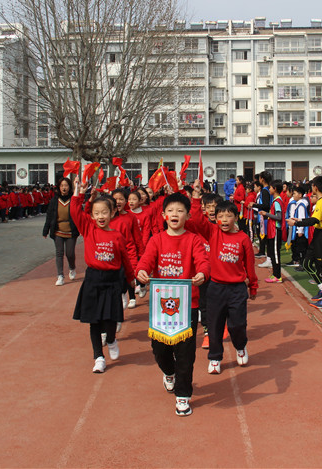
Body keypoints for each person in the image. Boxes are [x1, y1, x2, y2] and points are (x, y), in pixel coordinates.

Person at [136, 192, 210, 416]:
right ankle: (169, 372)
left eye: (180, 211)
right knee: (160, 349)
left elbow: (203, 262)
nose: (175, 214)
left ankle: (183, 395)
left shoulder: (194, 239)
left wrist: (202, 274)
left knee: (186, 352)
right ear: (163, 215)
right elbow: (147, 260)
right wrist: (141, 270)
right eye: (171, 211)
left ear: (187, 215)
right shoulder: (156, 239)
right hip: (161, 305)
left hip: (188, 304)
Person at [188, 184, 257, 375]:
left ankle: (240, 346)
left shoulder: (243, 238)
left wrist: (253, 286)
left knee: (237, 324)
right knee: (214, 325)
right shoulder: (212, 232)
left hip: (236, 289)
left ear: (235, 218)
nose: (224, 220)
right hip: (216, 288)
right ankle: (215, 357)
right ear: (216, 219)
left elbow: (250, 264)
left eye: (228, 216)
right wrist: (195, 198)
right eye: (220, 217)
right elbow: (196, 219)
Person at [71, 178, 136, 374]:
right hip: (93, 279)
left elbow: (125, 259)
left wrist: (131, 278)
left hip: (112, 280)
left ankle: (111, 339)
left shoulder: (117, 235)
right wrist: (78, 192)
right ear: (91, 215)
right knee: (94, 320)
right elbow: (74, 211)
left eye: (105, 213)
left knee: (110, 319)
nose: (101, 216)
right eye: (96, 213)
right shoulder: (88, 229)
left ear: (113, 213)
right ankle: (98, 356)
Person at [290, 176, 322, 308]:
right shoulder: (321, 202)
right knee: (307, 263)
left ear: (316, 188)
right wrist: (298, 220)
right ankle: (321, 288)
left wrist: (297, 223)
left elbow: (315, 220)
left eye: (313, 185)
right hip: (318, 235)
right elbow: (314, 218)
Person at [43, 178, 79, 285]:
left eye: (66, 185)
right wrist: (46, 230)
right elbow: (49, 216)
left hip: (71, 231)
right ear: (59, 187)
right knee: (59, 253)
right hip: (58, 230)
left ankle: (72, 268)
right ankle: (60, 276)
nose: (64, 188)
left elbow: (78, 214)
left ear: (69, 187)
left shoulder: (73, 199)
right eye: (62, 185)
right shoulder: (54, 200)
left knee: (70, 253)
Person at [260, 180, 285, 283]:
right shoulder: (275, 201)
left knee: (275, 253)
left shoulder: (278, 202)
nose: (269, 189)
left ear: (274, 189)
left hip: (276, 230)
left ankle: (278, 275)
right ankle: (275, 274)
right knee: (272, 252)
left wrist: (266, 214)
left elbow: (279, 217)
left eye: (270, 188)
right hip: (272, 230)